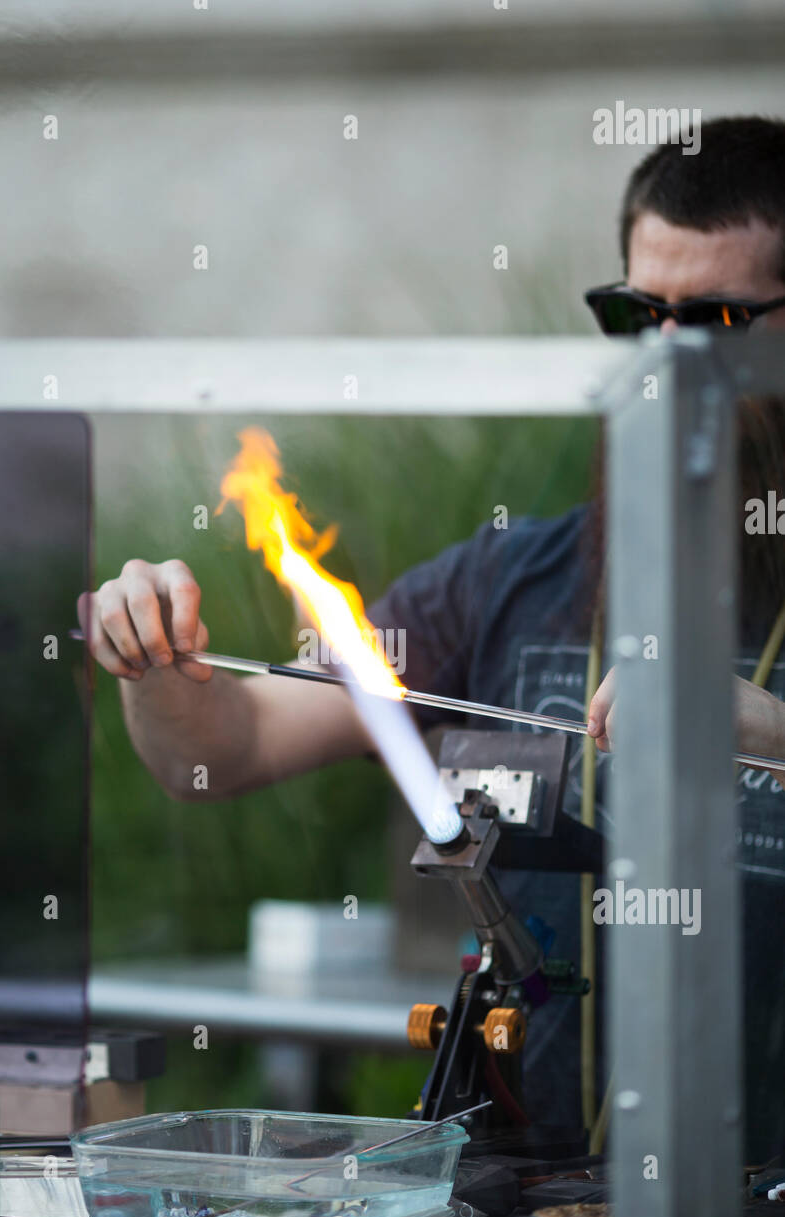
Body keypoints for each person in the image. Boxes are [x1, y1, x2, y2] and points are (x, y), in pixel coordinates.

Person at [79, 116, 785, 1160]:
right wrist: (155, 662)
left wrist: (767, 728)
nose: (666, 361)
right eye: (636, 316)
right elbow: (221, 751)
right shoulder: (508, 577)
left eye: (717, 320)